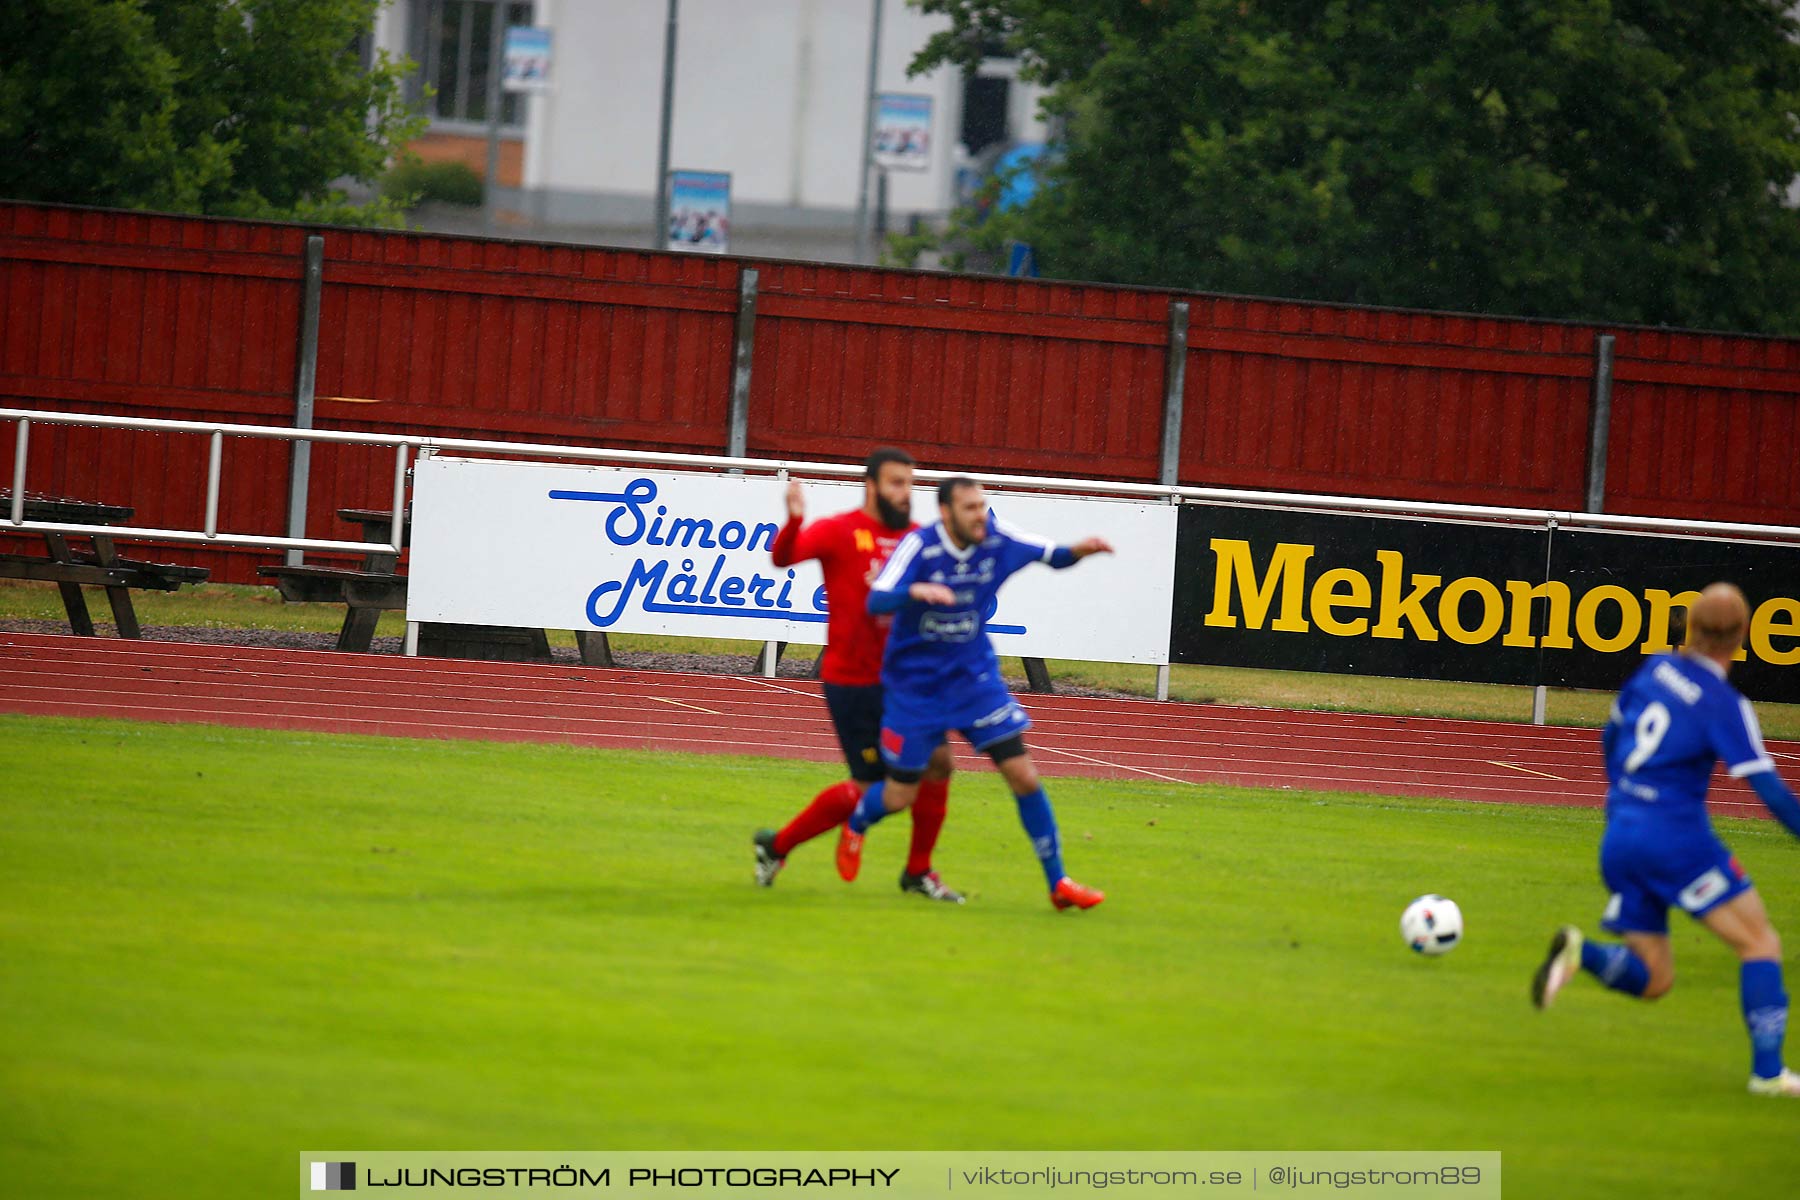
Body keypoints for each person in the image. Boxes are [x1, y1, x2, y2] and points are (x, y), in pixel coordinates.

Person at [1532, 582, 1800, 1095]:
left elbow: (1611, 736)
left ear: (1690, 627)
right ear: (1743, 636)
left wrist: (1626, 797)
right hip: (1676, 841)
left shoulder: (1655, 668)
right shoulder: (1724, 702)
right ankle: (1768, 1073)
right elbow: (1769, 789)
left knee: (1654, 979)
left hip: (1621, 835)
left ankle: (1580, 953)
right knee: (1760, 943)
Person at [843, 475, 1112, 911]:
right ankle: (857, 820)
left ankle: (1058, 882)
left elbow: (1054, 556)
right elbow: (876, 600)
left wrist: (1080, 551)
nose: (979, 515)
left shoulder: (997, 540)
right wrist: (915, 590)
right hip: (917, 686)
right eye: (969, 508)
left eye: (982, 505)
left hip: (974, 682)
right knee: (898, 795)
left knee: (1023, 775)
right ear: (946, 512)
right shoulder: (921, 546)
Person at [752, 448, 963, 902]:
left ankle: (918, 872)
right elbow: (783, 557)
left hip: (907, 682)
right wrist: (792, 521)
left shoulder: (915, 538)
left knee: (939, 763)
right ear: (871, 486)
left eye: (909, 483)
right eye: (895, 483)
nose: (904, 493)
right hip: (854, 682)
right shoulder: (838, 530)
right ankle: (777, 846)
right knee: (874, 789)